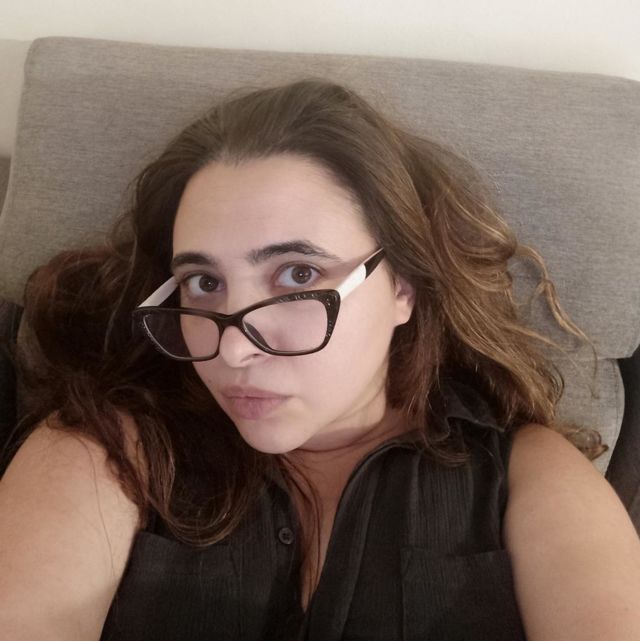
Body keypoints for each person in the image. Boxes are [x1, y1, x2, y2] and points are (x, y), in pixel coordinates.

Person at [0, 79, 639, 641]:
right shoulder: (106, 451)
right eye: (203, 282)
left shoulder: (524, 476)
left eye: (298, 274)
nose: (234, 348)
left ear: (402, 285)